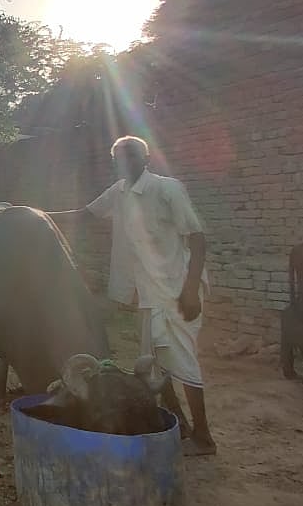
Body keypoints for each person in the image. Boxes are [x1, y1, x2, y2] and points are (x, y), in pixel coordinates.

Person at [49, 135, 216, 456]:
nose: (125, 163)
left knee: (183, 360)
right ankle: (178, 424)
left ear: (145, 158)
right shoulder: (120, 192)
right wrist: (41, 215)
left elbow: (197, 240)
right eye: (119, 159)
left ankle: (204, 438)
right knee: (155, 363)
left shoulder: (167, 189)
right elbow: (85, 213)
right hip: (149, 295)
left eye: (132, 156)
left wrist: (191, 290)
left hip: (178, 290)